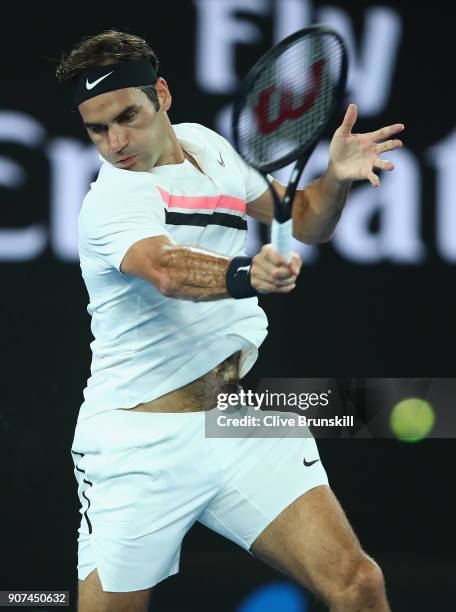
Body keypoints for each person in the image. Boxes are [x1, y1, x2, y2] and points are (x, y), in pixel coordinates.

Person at [56, 29, 403, 612]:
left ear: (161, 95)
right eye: (97, 129)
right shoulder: (112, 199)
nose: (115, 141)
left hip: (239, 415)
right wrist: (246, 275)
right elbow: (165, 269)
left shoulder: (210, 148)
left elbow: (310, 219)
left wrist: (336, 179)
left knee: (358, 584)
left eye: (127, 116)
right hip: (140, 443)